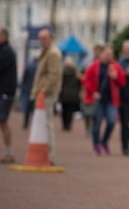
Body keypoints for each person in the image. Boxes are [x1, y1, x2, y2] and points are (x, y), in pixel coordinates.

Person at [83, 47, 126, 155]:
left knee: (112, 121)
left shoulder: (116, 66)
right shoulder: (94, 66)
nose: (109, 56)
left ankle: (104, 141)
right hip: (98, 99)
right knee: (96, 123)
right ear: (101, 55)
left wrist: (116, 77)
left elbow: (122, 82)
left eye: (111, 54)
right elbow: (86, 80)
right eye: (107, 54)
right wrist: (93, 92)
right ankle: (96, 145)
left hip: (111, 99)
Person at [30, 29, 63, 165]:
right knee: (42, 124)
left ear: (51, 38)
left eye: (44, 38)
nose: (42, 41)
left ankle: (50, 155)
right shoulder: (46, 52)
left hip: (47, 94)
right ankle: (45, 154)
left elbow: (54, 76)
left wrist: (44, 91)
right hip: (42, 92)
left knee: (47, 124)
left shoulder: (53, 53)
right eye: (40, 38)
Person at [0, 27, 17, 164]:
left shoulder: (7, 52)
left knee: (3, 121)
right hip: (3, 92)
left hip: (5, 92)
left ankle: (9, 152)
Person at [81, 44, 104, 136]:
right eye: (95, 51)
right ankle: (88, 127)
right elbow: (83, 74)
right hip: (87, 89)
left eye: (99, 51)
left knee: (96, 112)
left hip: (98, 91)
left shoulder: (103, 63)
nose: (97, 53)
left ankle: (94, 129)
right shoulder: (88, 62)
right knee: (86, 111)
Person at [59, 56, 82, 131]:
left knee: (64, 110)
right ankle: (69, 124)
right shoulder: (76, 73)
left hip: (64, 93)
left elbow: (60, 83)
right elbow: (79, 83)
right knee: (70, 110)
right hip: (72, 94)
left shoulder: (62, 72)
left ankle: (64, 124)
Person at [19, 54, 38, 130]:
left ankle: (26, 123)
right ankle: (34, 123)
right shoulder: (39, 67)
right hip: (35, 89)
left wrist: (23, 87)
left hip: (28, 88)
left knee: (27, 107)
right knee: (34, 107)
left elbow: (24, 78)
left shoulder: (28, 66)